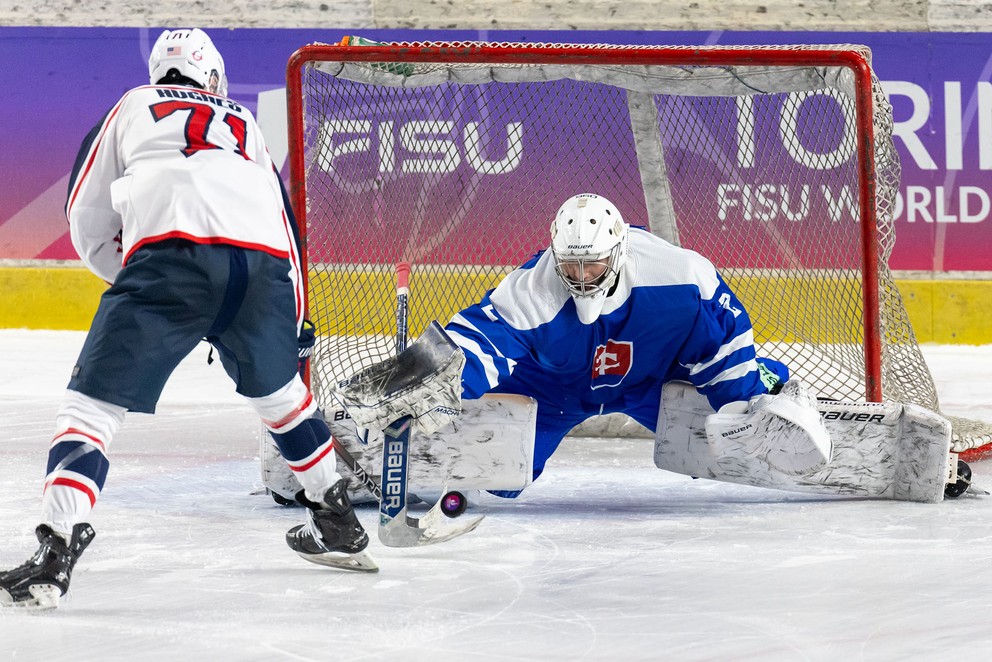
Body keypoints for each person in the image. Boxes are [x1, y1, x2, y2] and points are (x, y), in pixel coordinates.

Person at [0, 28, 375, 609]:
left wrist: (131, 277)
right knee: (282, 400)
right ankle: (338, 518)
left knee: (90, 408)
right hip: (264, 269)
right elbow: (286, 226)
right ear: (214, 78)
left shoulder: (132, 103)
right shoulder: (246, 124)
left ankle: (56, 551)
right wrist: (296, 317)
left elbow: (85, 212)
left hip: (171, 261)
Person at [444, 192, 829, 496]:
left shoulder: (678, 275)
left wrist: (743, 398)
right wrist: (436, 387)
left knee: (722, 436)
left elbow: (722, 338)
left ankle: (773, 385)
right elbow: (477, 343)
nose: (581, 276)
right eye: (570, 265)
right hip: (553, 390)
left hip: (652, 381)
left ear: (618, 251)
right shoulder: (531, 290)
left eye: (592, 264)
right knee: (499, 476)